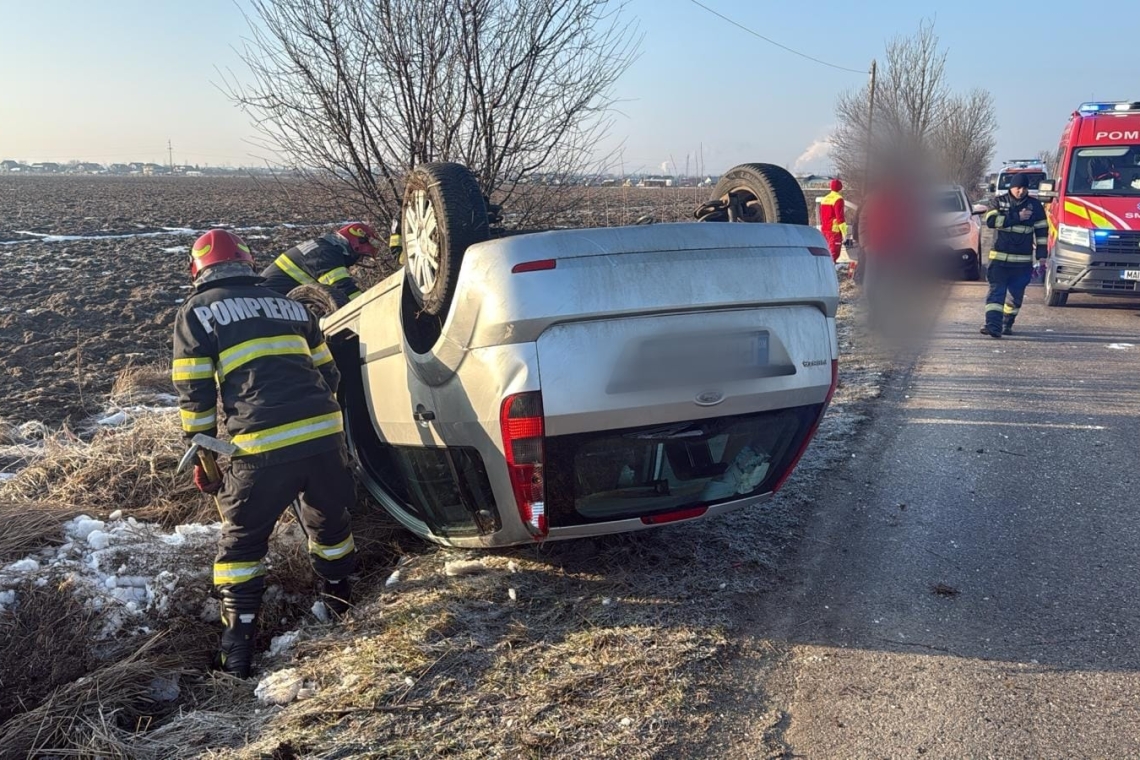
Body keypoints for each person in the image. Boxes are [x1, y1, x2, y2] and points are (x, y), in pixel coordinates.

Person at [173, 229, 357, 678]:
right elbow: (329, 374)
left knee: (242, 543)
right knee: (330, 526)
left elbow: (194, 397)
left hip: (260, 448)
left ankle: (236, 652)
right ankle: (338, 608)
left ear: (198, 269)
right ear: (249, 263)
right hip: (324, 438)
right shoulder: (293, 306)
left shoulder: (197, 312)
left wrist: (207, 462)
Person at [979, 174, 1048, 338]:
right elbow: (990, 221)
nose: (1021, 191)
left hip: (1022, 263)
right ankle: (993, 326)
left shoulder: (1035, 205)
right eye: (1018, 187)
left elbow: (1042, 232)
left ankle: (1006, 323)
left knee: (1015, 297)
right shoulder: (999, 201)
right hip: (999, 260)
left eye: (1024, 188)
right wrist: (1017, 217)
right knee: (996, 293)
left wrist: (1041, 255)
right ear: (1011, 187)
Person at [261, 223, 384, 302]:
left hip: (273, 300)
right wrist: (368, 306)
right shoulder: (327, 254)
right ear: (355, 245)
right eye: (360, 257)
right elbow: (343, 289)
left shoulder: (323, 247)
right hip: (269, 302)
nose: (358, 261)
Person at [819, 179, 849, 263]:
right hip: (834, 231)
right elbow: (840, 218)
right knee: (834, 254)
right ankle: (831, 272)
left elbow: (822, 215)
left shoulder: (824, 199)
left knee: (826, 253)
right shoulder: (838, 199)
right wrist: (844, 234)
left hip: (824, 229)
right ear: (840, 188)